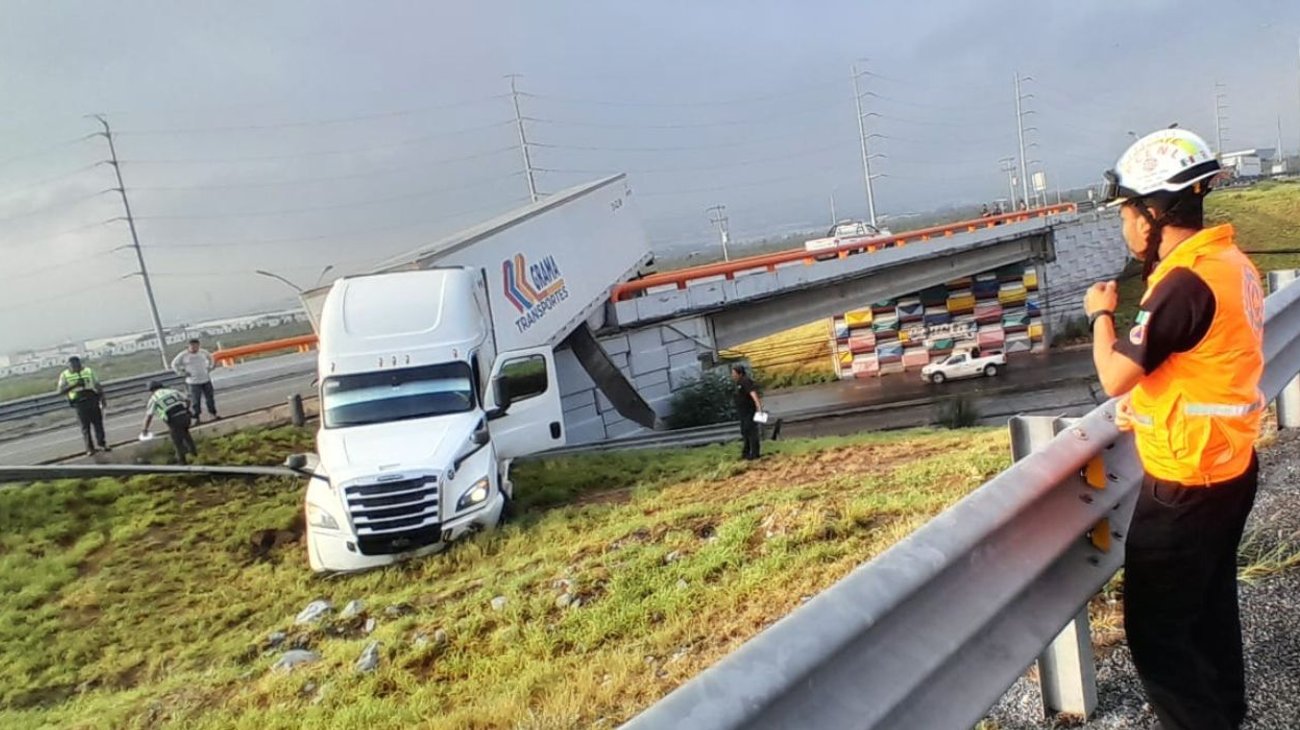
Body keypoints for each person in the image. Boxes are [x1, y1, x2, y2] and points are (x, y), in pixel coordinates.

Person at [1084, 128, 1263, 730]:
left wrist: (1102, 315)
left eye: (1128, 212)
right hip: (1230, 464)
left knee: (1157, 634)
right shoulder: (1226, 262)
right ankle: (1225, 715)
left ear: (1153, 213)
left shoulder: (1183, 283)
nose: (1126, 227)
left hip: (1186, 481)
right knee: (1210, 609)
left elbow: (1115, 377)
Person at [56, 356, 110, 456]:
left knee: (98, 423)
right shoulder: (65, 375)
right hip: (79, 402)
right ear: (69, 366)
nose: (75, 367)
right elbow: (60, 391)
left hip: (92, 399)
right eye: (72, 366)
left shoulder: (88, 371)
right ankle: (90, 448)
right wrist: (74, 385)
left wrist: (103, 399)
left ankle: (102, 444)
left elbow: (97, 385)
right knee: (85, 427)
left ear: (80, 364)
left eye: (76, 365)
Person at [143, 380, 197, 464]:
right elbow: (187, 400)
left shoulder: (154, 398)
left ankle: (182, 462)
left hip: (173, 420)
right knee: (186, 433)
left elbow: (149, 416)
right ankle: (194, 454)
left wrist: (145, 429)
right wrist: (187, 409)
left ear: (151, 390)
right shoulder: (172, 391)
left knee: (177, 441)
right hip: (185, 417)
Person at [171, 338, 218, 422]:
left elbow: (211, 358)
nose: (194, 348)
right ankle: (196, 417)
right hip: (193, 382)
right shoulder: (183, 355)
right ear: (188, 346)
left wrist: (210, 367)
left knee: (210, 398)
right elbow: (174, 364)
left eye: (196, 346)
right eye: (192, 346)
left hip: (205, 379)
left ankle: (213, 414)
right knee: (195, 400)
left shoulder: (203, 352)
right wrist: (182, 373)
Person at [731, 364, 763, 460]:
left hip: (749, 412)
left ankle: (754, 453)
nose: (732, 375)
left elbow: (753, 393)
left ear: (740, 373)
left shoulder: (745, 381)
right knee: (745, 432)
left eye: (734, 373)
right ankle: (746, 453)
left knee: (751, 432)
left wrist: (758, 406)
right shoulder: (739, 383)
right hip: (743, 412)